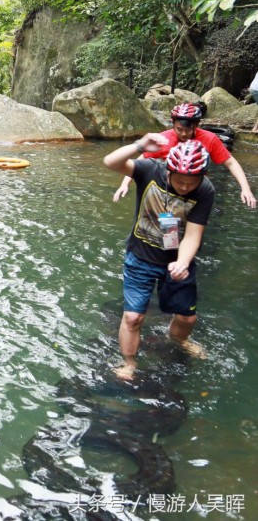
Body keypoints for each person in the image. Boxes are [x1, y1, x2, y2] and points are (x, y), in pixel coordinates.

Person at [103, 138, 215, 380]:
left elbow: (194, 234)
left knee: (187, 317)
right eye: (180, 181)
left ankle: (179, 340)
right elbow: (110, 162)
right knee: (133, 317)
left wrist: (183, 262)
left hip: (177, 260)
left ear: (202, 177)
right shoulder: (150, 170)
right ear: (169, 170)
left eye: (191, 183)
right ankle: (129, 363)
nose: (185, 187)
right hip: (140, 256)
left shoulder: (205, 190)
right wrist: (140, 146)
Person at [113, 102, 256, 208]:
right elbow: (140, 161)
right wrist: (124, 184)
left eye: (188, 130)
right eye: (179, 129)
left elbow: (230, 162)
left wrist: (245, 188)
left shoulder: (209, 139)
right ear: (173, 124)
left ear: (197, 125)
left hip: (196, 189)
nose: (183, 134)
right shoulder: (164, 139)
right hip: (169, 190)